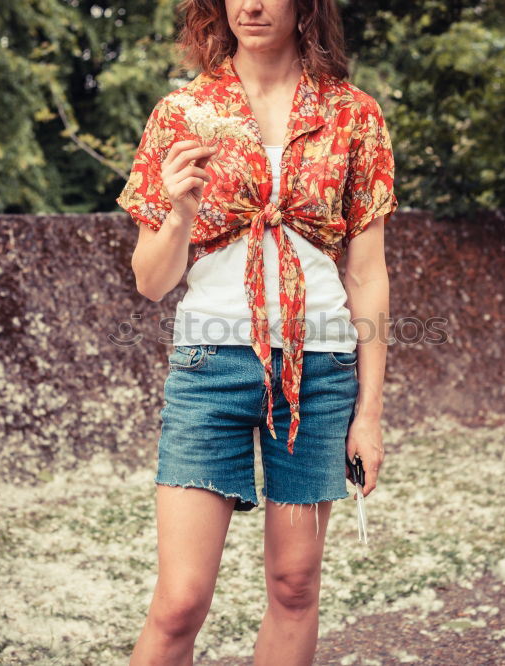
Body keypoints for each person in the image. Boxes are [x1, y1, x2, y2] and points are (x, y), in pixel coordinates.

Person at [117, 0, 397, 663]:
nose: (251, 4)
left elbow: (369, 272)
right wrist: (180, 208)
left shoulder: (354, 114)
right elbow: (150, 282)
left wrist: (371, 413)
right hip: (210, 367)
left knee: (294, 584)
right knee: (180, 598)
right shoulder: (181, 113)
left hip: (321, 368)